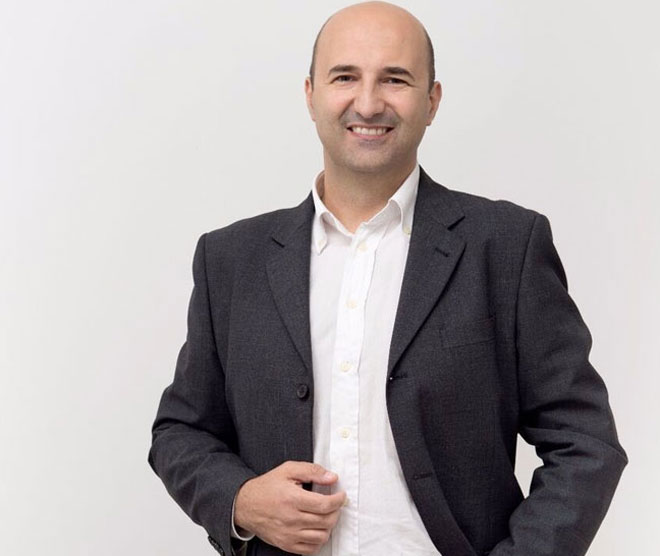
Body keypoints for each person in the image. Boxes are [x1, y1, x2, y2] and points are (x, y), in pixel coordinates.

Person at [147, 2, 627, 555]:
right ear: (310, 95)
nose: (369, 102)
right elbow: (180, 431)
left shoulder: (505, 247)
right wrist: (240, 499)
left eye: (395, 79)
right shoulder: (232, 259)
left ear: (432, 101)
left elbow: (585, 443)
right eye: (345, 77)